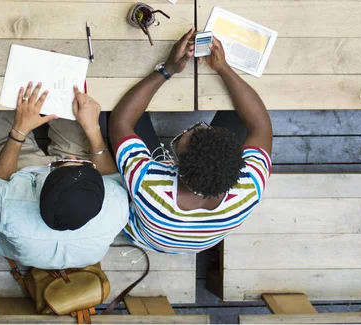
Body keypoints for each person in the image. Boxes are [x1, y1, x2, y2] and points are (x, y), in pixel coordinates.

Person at [108, 27, 273, 254]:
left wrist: (167, 70)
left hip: (144, 230)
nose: (192, 127)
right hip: (194, 236)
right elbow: (260, 124)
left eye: (184, 137)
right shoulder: (249, 187)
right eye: (200, 128)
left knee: (110, 109)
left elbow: (120, 122)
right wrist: (222, 67)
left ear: (174, 167)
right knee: (243, 113)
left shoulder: (148, 184)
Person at [0, 82, 129, 269]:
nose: (70, 157)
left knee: (11, 110)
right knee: (74, 110)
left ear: (45, 180)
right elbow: (110, 175)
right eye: (81, 164)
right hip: (52, 245)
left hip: (20, 185)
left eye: (63, 163)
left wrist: (19, 131)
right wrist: (92, 129)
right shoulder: (116, 206)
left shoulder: (10, 209)